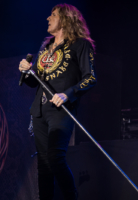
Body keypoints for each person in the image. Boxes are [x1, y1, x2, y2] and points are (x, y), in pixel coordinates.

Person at [18, 4, 96, 200]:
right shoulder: (46, 46)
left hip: (61, 109)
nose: (47, 18)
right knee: (43, 164)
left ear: (65, 19)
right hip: (39, 110)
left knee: (55, 158)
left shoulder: (80, 44)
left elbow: (90, 78)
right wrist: (26, 71)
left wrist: (67, 94)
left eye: (53, 15)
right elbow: (33, 81)